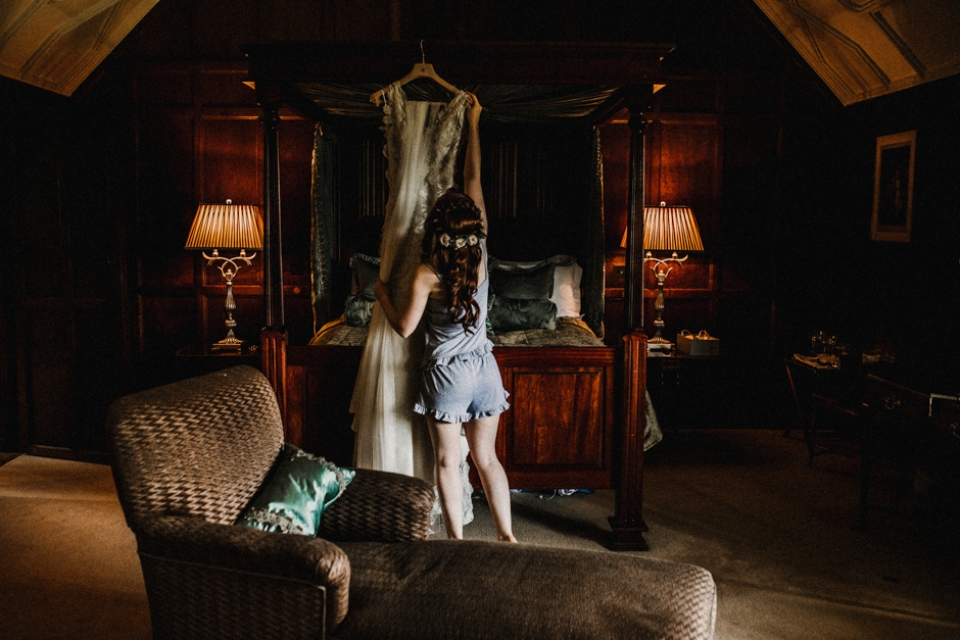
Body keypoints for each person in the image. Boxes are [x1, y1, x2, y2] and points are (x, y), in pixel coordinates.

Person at [374, 94, 517, 542]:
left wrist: (381, 293)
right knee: (487, 458)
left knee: (447, 461)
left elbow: (404, 327)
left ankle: (456, 542)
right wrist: (474, 120)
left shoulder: (424, 273)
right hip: (485, 369)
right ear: (473, 228)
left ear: (434, 228)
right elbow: (473, 175)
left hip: (447, 376)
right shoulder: (483, 254)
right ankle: (508, 535)